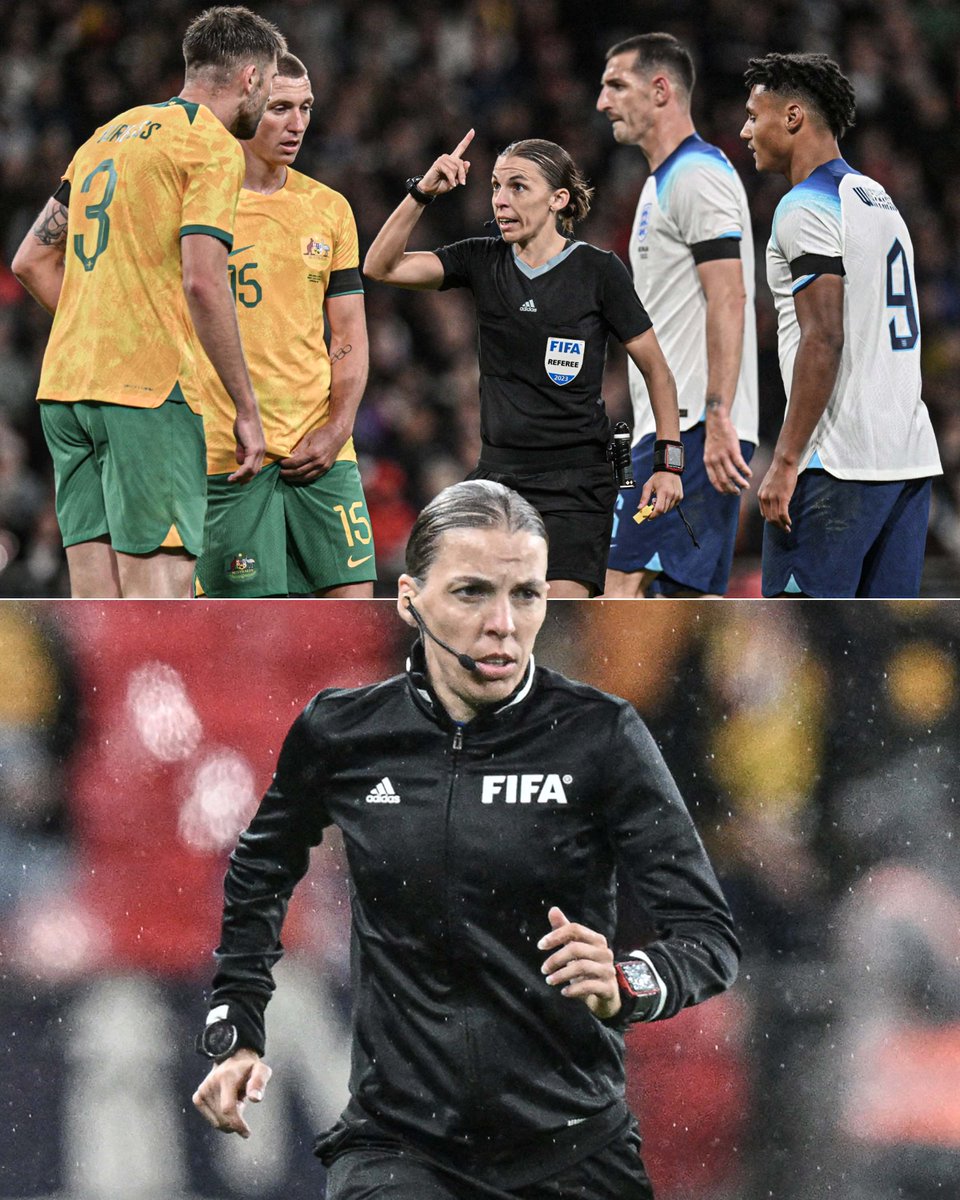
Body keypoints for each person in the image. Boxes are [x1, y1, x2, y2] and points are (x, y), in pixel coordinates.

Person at [191, 478, 739, 1200]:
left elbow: (708, 937)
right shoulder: (343, 732)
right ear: (410, 599)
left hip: (574, 1145)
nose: (504, 624)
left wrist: (629, 982)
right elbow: (260, 869)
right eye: (473, 593)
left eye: (527, 595)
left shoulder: (600, 736)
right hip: (399, 1147)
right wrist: (238, 1021)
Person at [10, 6, 286, 599]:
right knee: (156, 602)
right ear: (250, 79)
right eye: (268, 86)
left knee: (97, 604)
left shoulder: (105, 136)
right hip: (148, 394)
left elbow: (30, 260)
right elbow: (204, 282)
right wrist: (245, 406)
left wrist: (103, 325)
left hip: (65, 390)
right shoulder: (209, 145)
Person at [363, 134, 683, 598]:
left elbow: (657, 370)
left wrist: (668, 464)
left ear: (558, 199)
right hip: (499, 481)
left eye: (517, 187)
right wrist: (423, 192)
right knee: (483, 613)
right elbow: (381, 266)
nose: (500, 200)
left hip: (576, 484)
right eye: (495, 186)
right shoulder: (481, 259)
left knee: (560, 613)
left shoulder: (597, 271)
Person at [740, 52, 942, 598]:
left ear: (793, 116)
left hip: (838, 465)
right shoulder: (877, 198)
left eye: (754, 115)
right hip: (905, 459)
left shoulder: (804, 206)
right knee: (870, 652)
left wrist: (784, 462)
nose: (744, 130)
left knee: (808, 643)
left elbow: (823, 336)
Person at [195, 52, 374, 598]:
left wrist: (338, 427)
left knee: (352, 617)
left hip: (320, 451)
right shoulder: (202, 203)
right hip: (228, 455)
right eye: (279, 108)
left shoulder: (329, 208)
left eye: (306, 108)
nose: (297, 124)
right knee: (246, 636)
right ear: (248, 108)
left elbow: (347, 335)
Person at [597, 33, 759, 598]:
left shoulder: (696, 176)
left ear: (661, 89)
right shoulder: (661, 183)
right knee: (674, 606)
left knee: (617, 592)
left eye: (616, 84)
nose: (602, 102)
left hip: (689, 428)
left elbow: (730, 297)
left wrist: (717, 417)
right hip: (677, 426)